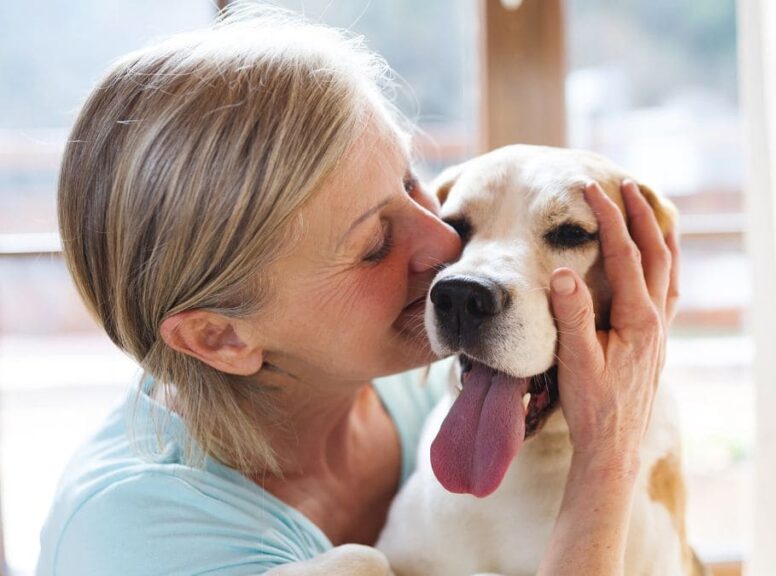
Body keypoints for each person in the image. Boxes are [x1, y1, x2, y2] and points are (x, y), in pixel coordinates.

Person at [37, 5, 679, 575]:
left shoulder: (409, 375)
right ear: (222, 335)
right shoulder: (135, 544)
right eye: (373, 244)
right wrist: (607, 462)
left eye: (412, 185)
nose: (445, 249)